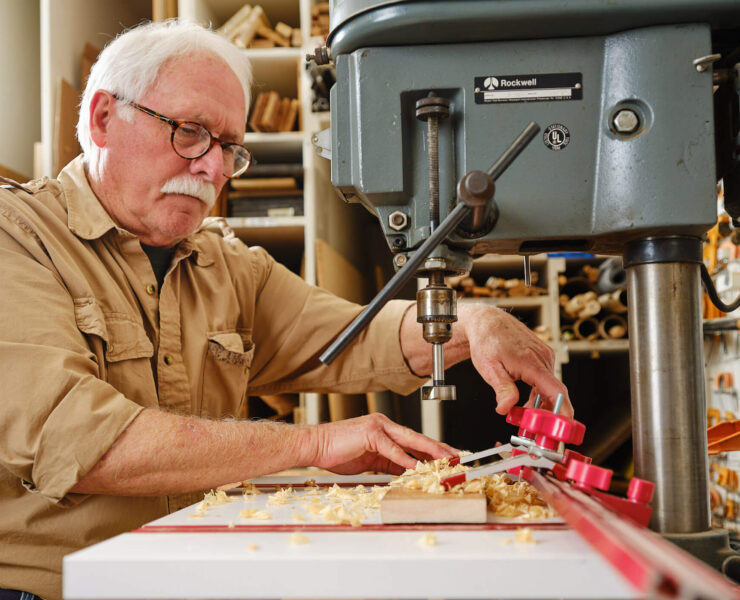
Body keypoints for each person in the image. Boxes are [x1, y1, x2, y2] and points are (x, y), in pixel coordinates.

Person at [0, 20, 569, 600]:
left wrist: (473, 323)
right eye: (192, 132)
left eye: (229, 149)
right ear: (102, 118)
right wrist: (314, 445)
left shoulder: (226, 267)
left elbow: (357, 335)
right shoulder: (16, 237)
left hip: (186, 576)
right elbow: (79, 439)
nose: (213, 169)